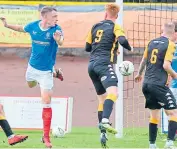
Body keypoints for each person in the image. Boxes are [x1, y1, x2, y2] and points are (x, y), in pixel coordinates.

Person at [0, 6, 64, 148]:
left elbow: (61, 41)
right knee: (30, 84)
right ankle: (56, 73)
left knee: (46, 101)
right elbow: (21, 28)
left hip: (45, 72)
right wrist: (6, 25)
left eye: (56, 17)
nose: (56, 19)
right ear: (45, 17)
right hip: (32, 69)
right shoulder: (33, 26)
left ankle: (46, 138)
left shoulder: (56, 29)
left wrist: (58, 40)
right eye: (54, 17)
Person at [85, 3, 133, 148]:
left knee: (102, 99)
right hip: (104, 64)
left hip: (91, 66)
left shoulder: (94, 26)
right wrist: (129, 48)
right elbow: (122, 40)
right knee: (114, 92)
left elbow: (87, 47)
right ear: (116, 16)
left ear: (105, 14)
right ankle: (105, 120)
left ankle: (103, 133)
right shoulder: (115, 26)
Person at [135, 22, 177, 149]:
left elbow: (143, 61)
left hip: (146, 84)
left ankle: (152, 144)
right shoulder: (170, 44)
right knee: (174, 113)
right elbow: (166, 66)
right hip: (159, 85)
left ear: (161, 29)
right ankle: (169, 142)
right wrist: (175, 75)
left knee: (154, 115)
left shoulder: (151, 42)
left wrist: (139, 74)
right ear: (174, 32)